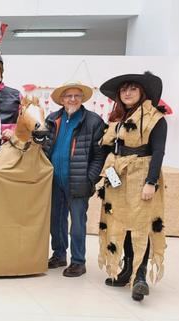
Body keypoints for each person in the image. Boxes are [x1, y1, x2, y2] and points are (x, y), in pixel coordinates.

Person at [97, 72, 167, 302]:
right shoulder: (116, 119)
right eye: (123, 89)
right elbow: (109, 147)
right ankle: (126, 269)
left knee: (140, 225)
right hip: (118, 173)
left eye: (132, 89)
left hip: (142, 174)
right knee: (121, 222)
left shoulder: (155, 118)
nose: (127, 93)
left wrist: (151, 182)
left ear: (142, 92)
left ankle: (140, 276)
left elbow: (158, 152)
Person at [42, 82, 105, 277]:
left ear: (82, 98)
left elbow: (99, 155)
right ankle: (59, 254)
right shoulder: (53, 119)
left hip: (78, 180)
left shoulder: (94, 121)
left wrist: (90, 178)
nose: (72, 99)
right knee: (56, 220)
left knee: (77, 222)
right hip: (54, 179)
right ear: (61, 99)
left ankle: (78, 261)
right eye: (68, 96)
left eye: (77, 96)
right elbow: (44, 147)